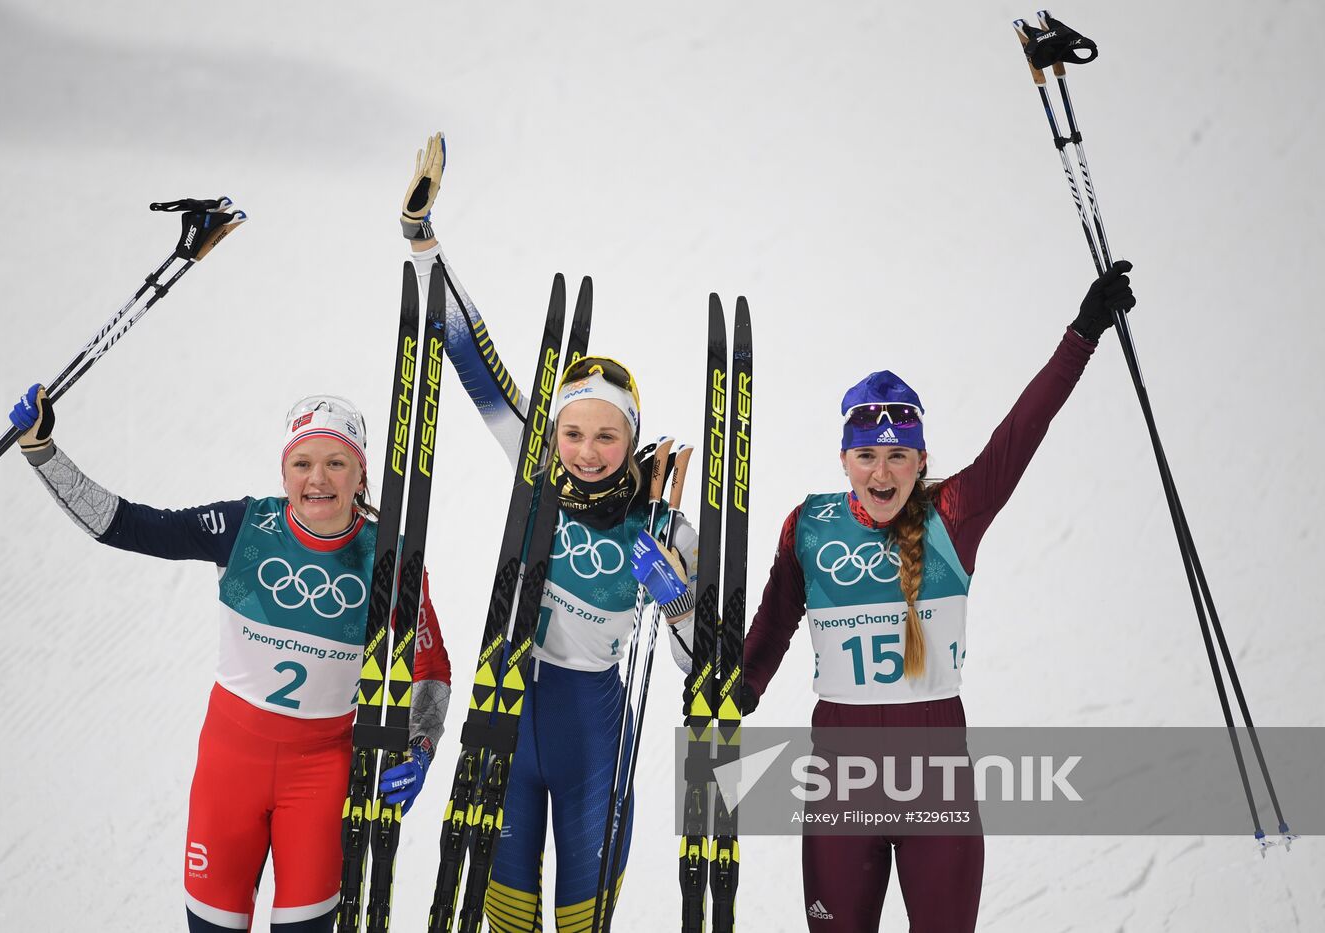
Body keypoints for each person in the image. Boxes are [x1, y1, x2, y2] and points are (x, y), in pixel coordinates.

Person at [739, 263, 1136, 932]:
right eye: (867, 454)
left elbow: (1023, 429)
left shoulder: (954, 512)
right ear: (844, 460)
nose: (882, 471)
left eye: (899, 455)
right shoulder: (809, 522)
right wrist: (740, 687)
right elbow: (774, 623)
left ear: (922, 460)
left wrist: (1084, 332)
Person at [7, 388, 453, 933]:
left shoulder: (393, 558)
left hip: (323, 774)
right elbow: (126, 525)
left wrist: (422, 745)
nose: (319, 479)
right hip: (230, 766)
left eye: (337, 463)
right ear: (283, 472)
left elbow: (432, 668)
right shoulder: (245, 528)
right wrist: (41, 451)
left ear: (361, 476)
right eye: (303, 463)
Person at [399, 133, 699, 931]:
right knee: (504, 915)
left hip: (595, 729)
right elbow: (471, 356)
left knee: (578, 921)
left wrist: (674, 601)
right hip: (508, 710)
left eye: (607, 437)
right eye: (573, 433)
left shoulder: (663, 519)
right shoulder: (535, 467)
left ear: (629, 439)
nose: (588, 452)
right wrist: (423, 242)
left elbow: (703, 663)